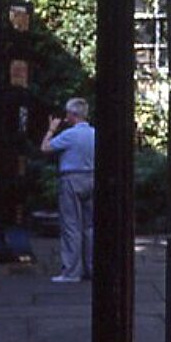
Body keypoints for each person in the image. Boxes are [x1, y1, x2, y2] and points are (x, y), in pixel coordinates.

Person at [41, 97, 95, 283]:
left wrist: (51, 129)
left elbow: (45, 147)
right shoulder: (95, 134)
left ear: (73, 115)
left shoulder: (70, 135)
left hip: (71, 178)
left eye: (67, 113)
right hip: (92, 178)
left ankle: (71, 272)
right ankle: (91, 267)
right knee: (90, 227)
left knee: (71, 226)